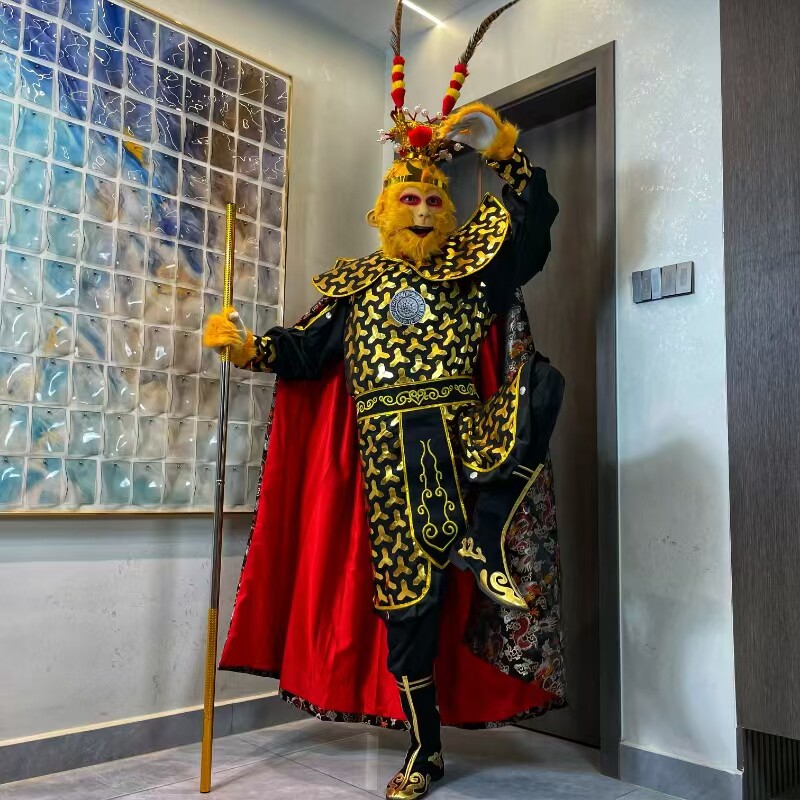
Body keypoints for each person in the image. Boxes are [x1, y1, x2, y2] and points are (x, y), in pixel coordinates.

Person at [203, 2, 566, 797]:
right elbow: (305, 351)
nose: (425, 209)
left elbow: (530, 233)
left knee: (541, 388)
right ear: (381, 210)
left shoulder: (472, 271)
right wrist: (249, 346)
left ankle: (489, 529)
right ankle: (423, 749)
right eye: (410, 198)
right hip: (389, 461)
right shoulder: (357, 285)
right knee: (409, 607)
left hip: (465, 436)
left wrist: (506, 155)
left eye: (435, 200)